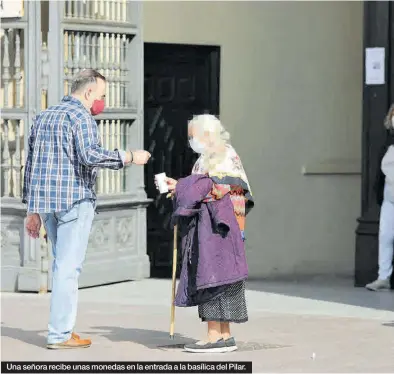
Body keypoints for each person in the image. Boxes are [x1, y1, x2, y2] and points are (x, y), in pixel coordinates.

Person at [23, 69, 151, 349]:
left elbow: (30, 164)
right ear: (88, 92)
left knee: (61, 267)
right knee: (68, 269)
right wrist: (129, 156)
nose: (101, 102)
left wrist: (31, 210)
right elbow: (90, 154)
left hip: (48, 205)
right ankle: (60, 334)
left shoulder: (45, 115)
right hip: (74, 202)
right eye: (102, 96)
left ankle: (63, 330)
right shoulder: (80, 115)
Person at [156, 114, 254, 353]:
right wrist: (179, 187)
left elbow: (215, 189)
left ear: (208, 135)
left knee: (214, 276)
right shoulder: (206, 158)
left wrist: (182, 188)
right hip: (212, 227)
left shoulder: (223, 156)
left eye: (193, 135)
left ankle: (216, 336)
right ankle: (221, 335)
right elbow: (200, 188)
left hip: (219, 229)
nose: (191, 140)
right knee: (218, 277)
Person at [367, 104, 394, 291]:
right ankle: (383, 277)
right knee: (385, 235)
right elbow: (380, 172)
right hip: (389, 197)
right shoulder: (387, 142)